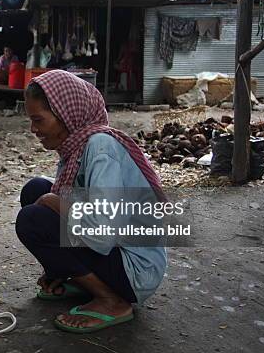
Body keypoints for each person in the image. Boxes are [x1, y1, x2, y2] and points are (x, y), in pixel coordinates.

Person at [16, 70, 167, 333]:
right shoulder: (76, 145)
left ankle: (112, 300)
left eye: (38, 120)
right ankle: (79, 281)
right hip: (112, 251)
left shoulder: (100, 146)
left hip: (134, 270)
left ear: (65, 114)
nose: (34, 130)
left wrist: (54, 201)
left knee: (34, 218)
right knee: (35, 190)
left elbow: (102, 235)